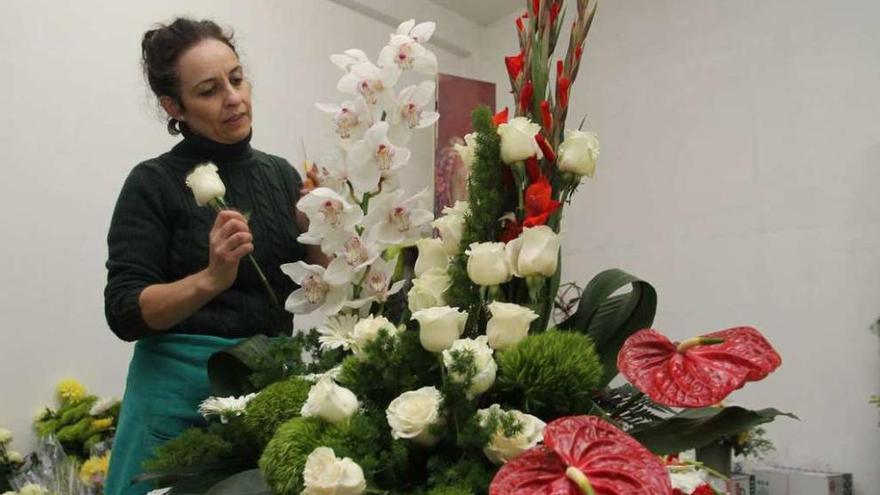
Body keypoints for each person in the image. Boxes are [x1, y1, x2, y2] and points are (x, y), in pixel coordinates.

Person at [103, 18, 320, 495]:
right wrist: (211, 278)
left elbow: (314, 287)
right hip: (178, 401)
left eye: (236, 78)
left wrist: (325, 227)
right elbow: (124, 311)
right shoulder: (152, 183)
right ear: (173, 106)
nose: (234, 97)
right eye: (208, 90)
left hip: (268, 391)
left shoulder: (282, 176)